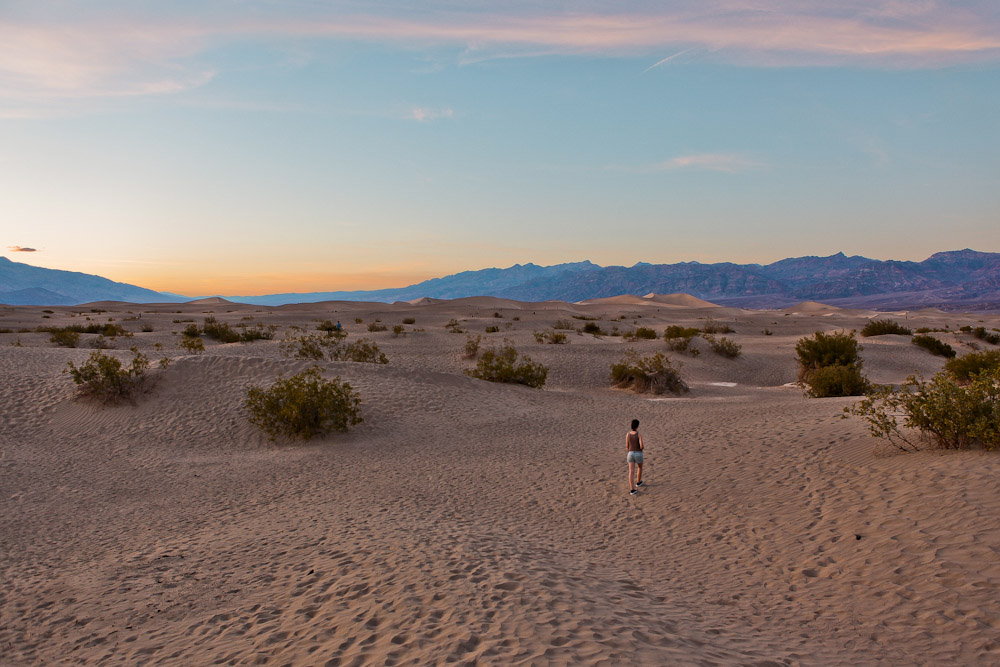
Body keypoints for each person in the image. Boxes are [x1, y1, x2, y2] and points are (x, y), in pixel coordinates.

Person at [626, 419, 644, 495]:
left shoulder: (628, 434)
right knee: (639, 467)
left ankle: (632, 489)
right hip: (638, 453)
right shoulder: (639, 435)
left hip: (630, 454)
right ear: (637, 426)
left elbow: (627, 446)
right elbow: (642, 446)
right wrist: (640, 449)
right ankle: (638, 482)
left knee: (631, 471)